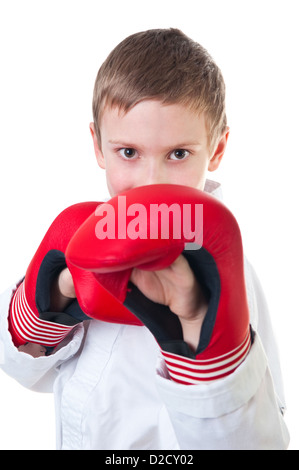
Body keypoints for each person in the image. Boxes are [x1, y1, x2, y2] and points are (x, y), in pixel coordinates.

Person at [0, 28, 289, 450]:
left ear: (218, 148)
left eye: (178, 154)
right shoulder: (83, 240)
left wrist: (195, 320)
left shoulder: (226, 270)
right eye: (129, 153)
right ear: (98, 145)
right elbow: (22, 368)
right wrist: (56, 294)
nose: (150, 182)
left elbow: (257, 442)